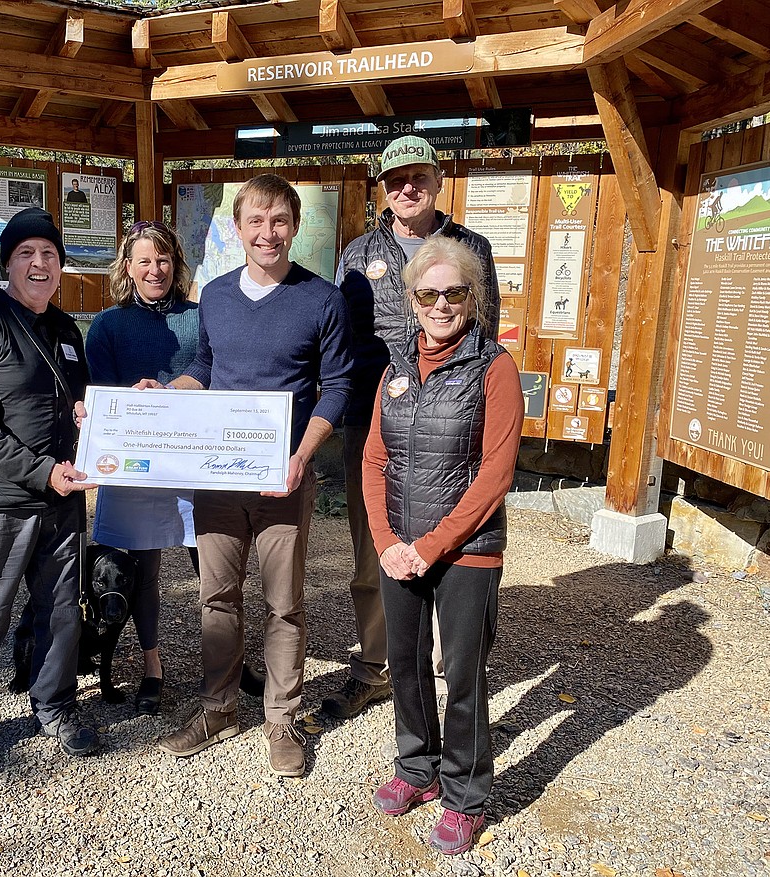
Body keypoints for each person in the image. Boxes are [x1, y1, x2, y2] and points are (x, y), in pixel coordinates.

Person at [142, 174, 352, 778]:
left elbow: (335, 388)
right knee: (217, 597)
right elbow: (206, 367)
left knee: (284, 604)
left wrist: (301, 458)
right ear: (238, 229)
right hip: (218, 476)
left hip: (282, 476)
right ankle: (218, 708)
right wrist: (165, 392)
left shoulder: (322, 300)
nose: (267, 233)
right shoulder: (216, 296)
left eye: (279, 221)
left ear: (295, 226)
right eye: (255, 222)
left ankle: (282, 719)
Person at [325, 135, 500, 720]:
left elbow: (487, 337)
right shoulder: (357, 255)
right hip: (378, 421)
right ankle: (380, 664)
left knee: (456, 536)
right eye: (396, 177)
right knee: (371, 547)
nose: (407, 187)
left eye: (418, 176)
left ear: (437, 179)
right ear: (383, 185)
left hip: (454, 420)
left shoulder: (472, 247)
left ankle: (456, 668)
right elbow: (341, 345)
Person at [362, 237, 523, 855]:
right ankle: (417, 767)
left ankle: (465, 795)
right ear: (411, 300)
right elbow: (374, 460)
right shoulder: (395, 368)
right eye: (426, 294)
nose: (440, 305)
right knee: (404, 666)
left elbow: (496, 474)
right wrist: (386, 542)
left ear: (472, 296)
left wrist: (430, 547)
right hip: (398, 547)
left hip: (466, 552)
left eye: (452, 292)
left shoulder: (494, 368)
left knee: (463, 676)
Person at [0, 207, 98, 774]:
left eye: (49, 255)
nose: (39, 264)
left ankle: (54, 706)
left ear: (60, 266)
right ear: (7, 263)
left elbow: (77, 402)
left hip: (61, 500)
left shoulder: (65, 329)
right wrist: (40, 471)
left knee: (59, 612)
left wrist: (90, 420)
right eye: (26, 254)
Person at [84, 220, 199, 716]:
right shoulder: (108, 325)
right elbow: (96, 390)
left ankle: (229, 664)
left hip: (195, 459)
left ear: (176, 264)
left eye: (164, 260)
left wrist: (169, 392)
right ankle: (153, 666)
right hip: (136, 463)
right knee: (143, 571)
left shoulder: (201, 317)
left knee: (214, 568)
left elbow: (212, 371)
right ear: (127, 268)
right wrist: (127, 401)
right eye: (145, 261)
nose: (156, 270)